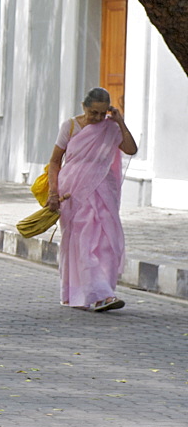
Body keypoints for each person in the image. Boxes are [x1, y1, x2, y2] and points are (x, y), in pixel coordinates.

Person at [47, 87, 137, 312]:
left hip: (104, 189)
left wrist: (120, 122)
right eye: (93, 113)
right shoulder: (70, 126)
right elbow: (55, 162)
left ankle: (101, 291)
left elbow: (131, 149)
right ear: (84, 107)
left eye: (102, 113)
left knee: (106, 241)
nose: (97, 118)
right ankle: (98, 295)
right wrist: (53, 192)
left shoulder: (111, 128)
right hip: (74, 191)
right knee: (83, 241)